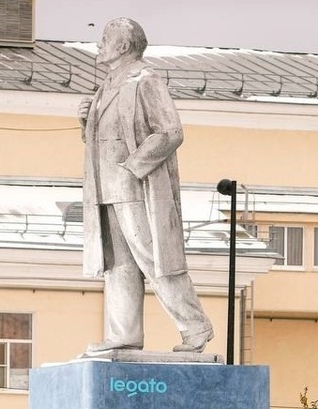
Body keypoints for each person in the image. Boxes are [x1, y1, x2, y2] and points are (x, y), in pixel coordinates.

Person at [78, 17, 213, 354]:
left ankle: (195, 327)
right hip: (106, 190)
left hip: (135, 188)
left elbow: (170, 132)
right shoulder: (106, 86)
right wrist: (86, 122)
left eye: (105, 38)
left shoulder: (145, 79)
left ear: (124, 46)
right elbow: (105, 139)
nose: (99, 44)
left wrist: (133, 168)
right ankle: (124, 334)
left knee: (154, 259)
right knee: (118, 265)